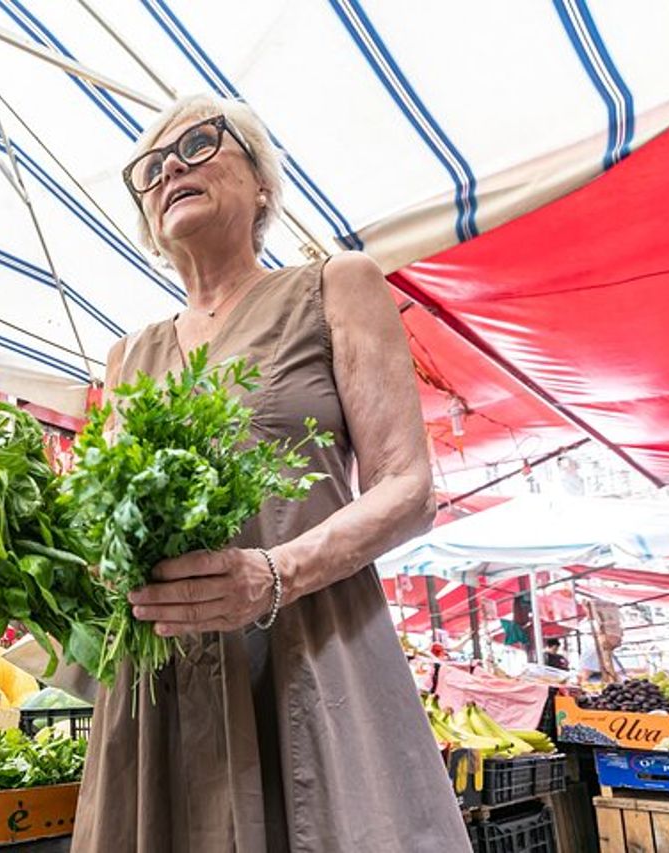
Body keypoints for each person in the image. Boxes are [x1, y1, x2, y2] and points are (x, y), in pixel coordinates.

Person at [72, 94, 469, 852]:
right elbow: (106, 532)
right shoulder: (128, 355)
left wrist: (273, 573)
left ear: (262, 183)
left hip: (308, 649)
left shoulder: (336, 286)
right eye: (150, 167)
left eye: (196, 144)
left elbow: (407, 488)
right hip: (161, 683)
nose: (170, 169)